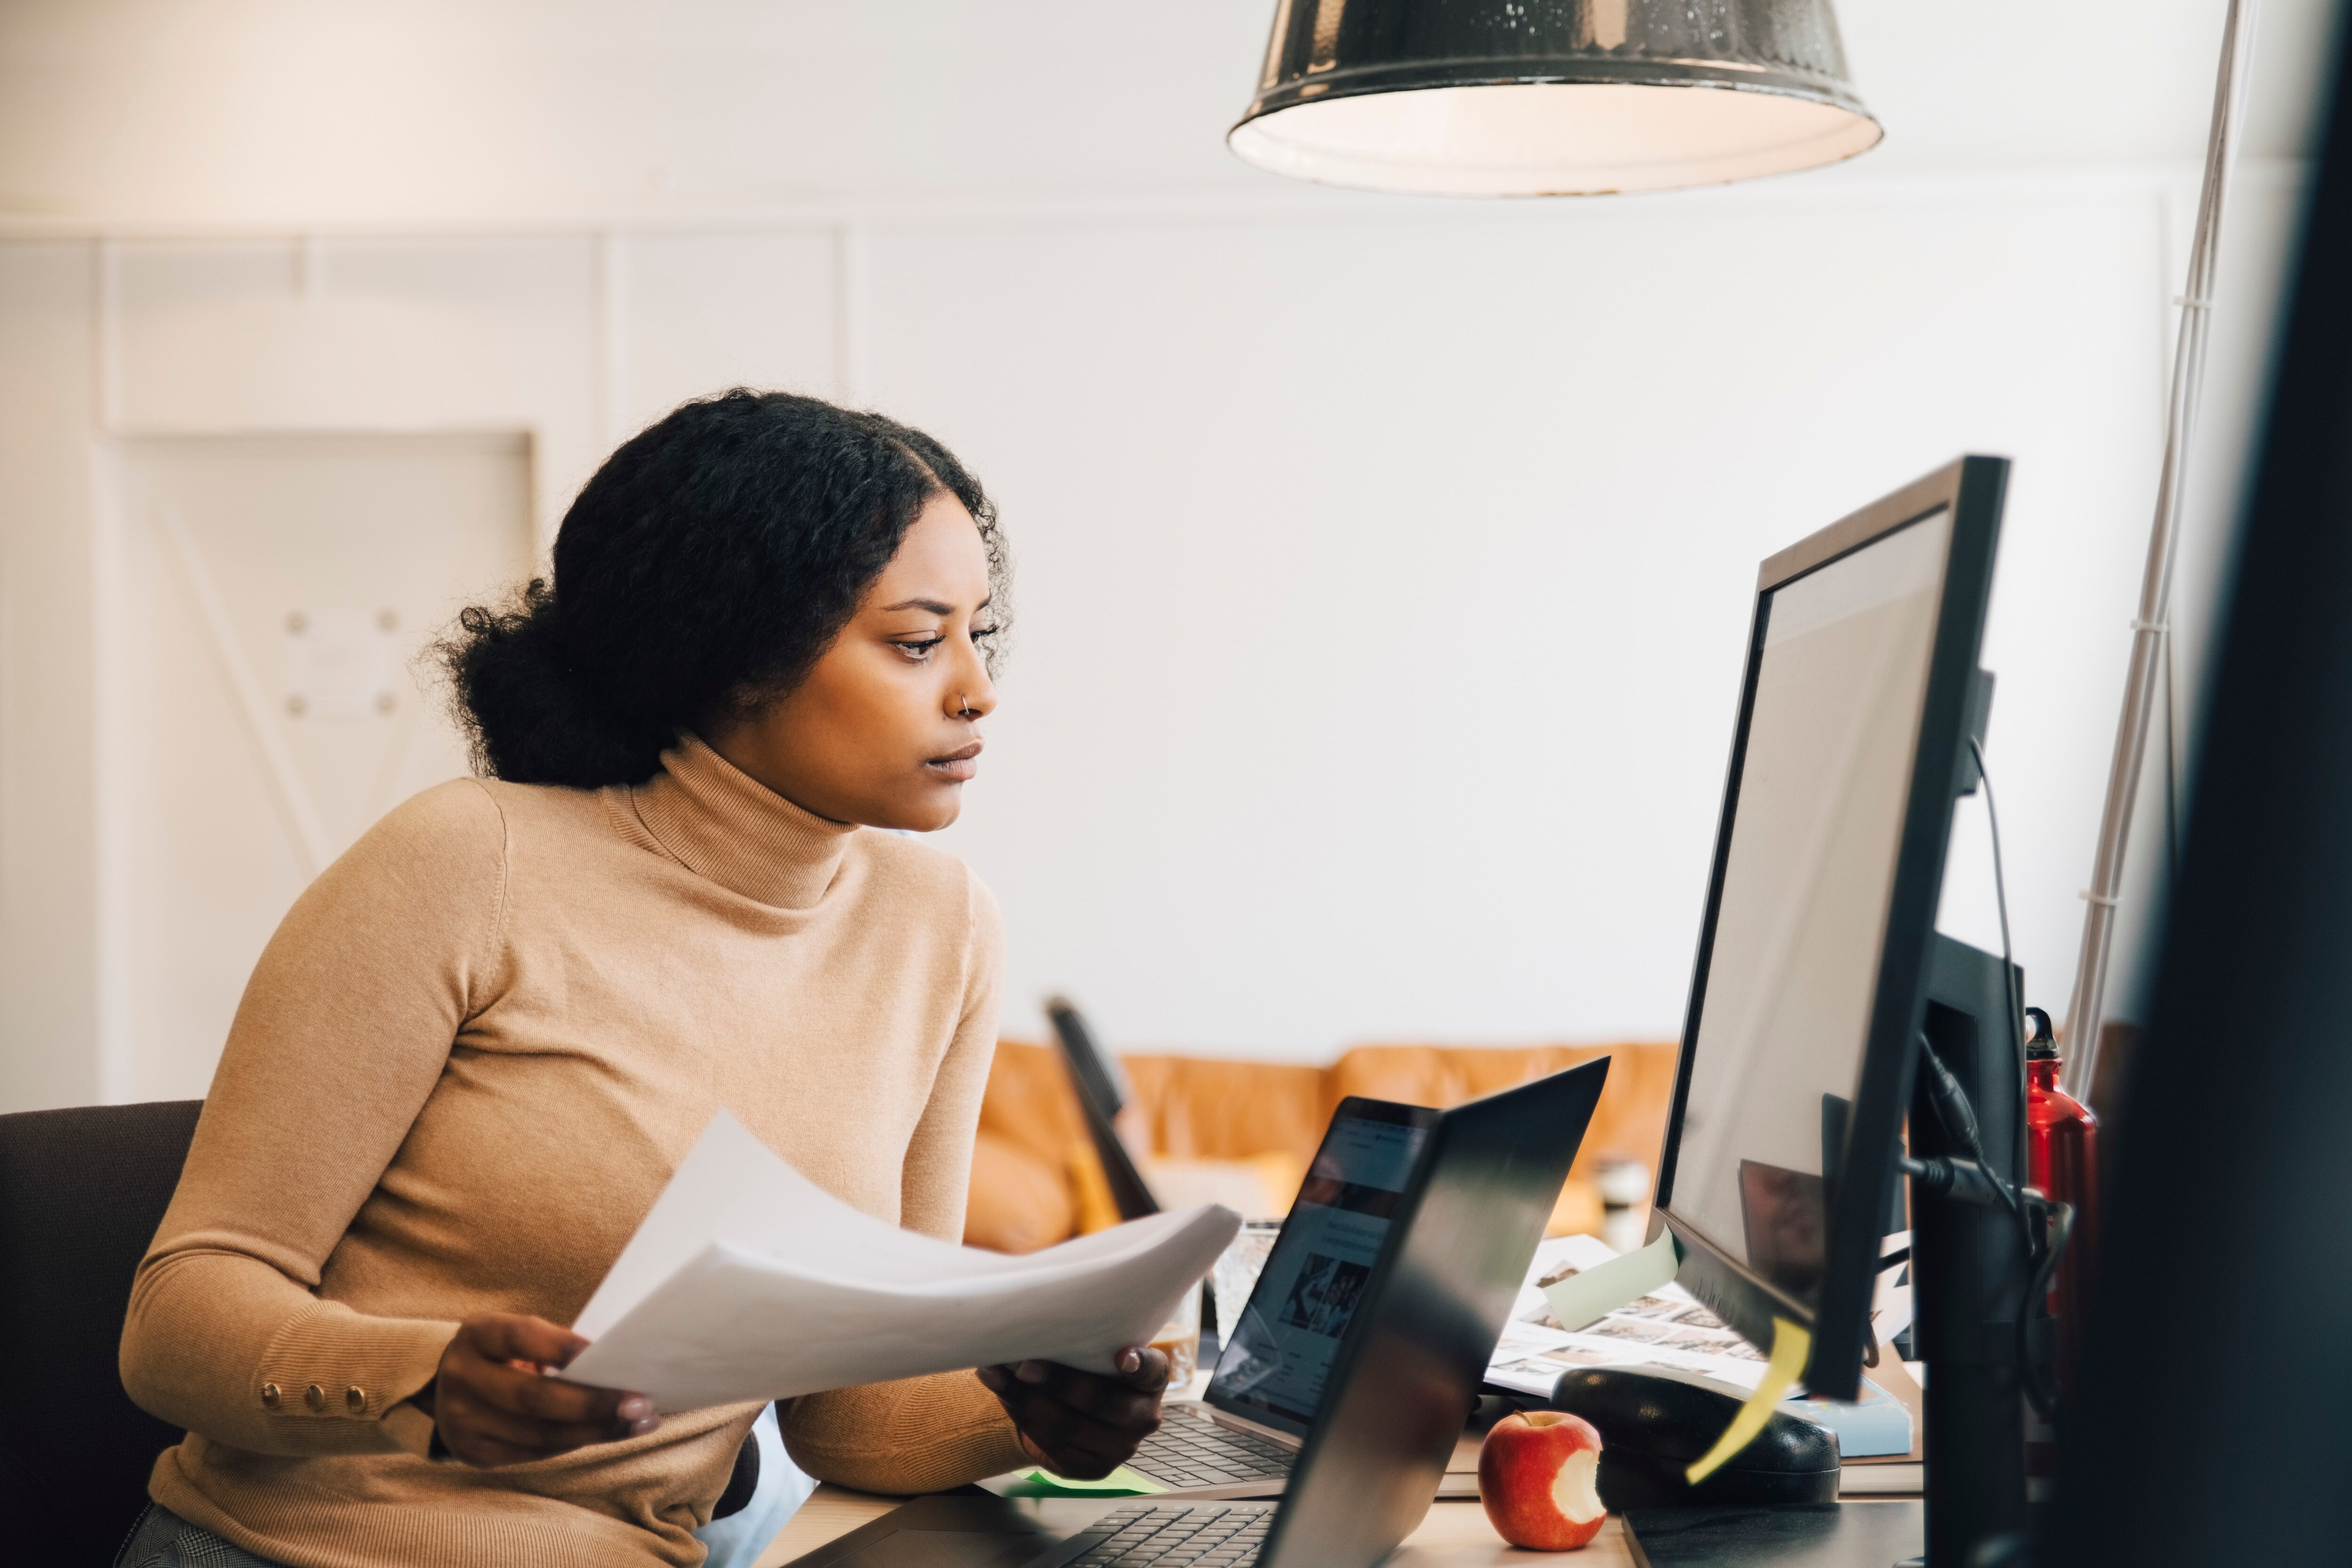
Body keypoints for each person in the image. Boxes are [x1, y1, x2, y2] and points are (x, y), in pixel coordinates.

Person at [115, 390, 1168, 1568]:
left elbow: (857, 1412)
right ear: (733, 652)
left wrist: (1040, 1413)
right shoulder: (470, 859)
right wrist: (420, 1376)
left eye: (981, 634)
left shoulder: (939, 926)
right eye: (918, 642)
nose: (976, 690)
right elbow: (177, 1315)